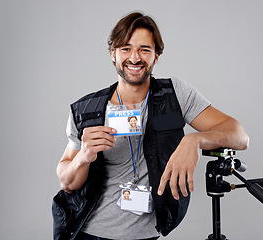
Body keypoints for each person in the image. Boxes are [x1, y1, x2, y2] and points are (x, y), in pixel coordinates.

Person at [53, 12, 249, 240]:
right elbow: (67, 183)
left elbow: (239, 135)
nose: (135, 58)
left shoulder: (175, 95)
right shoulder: (86, 110)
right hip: (90, 233)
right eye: (125, 48)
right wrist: (83, 157)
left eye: (144, 49)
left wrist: (193, 140)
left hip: (146, 235)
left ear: (156, 56)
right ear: (112, 54)